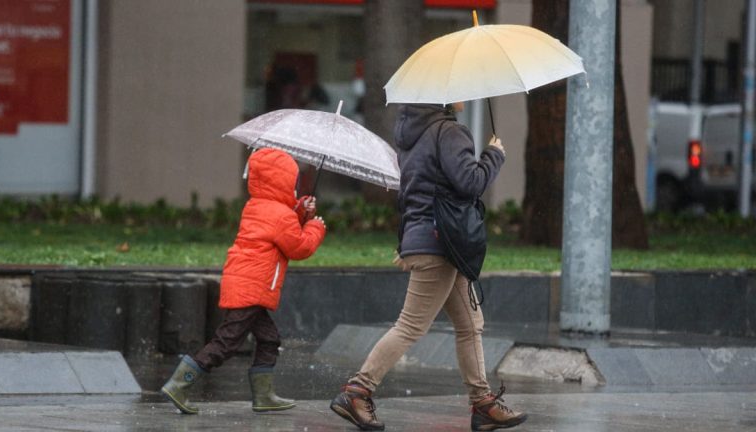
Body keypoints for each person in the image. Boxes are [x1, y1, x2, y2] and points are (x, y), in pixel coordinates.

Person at [329, 103, 527, 431]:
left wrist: (406, 241)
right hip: (441, 242)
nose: (466, 97)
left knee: (470, 323)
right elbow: (470, 182)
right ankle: (357, 391)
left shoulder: (413, 136)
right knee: (411, 326)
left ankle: (482, 404)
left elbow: (409, 193)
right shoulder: (449, 132)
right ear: (446, 97)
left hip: (434, 241)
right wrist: (494, 155)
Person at [161, 148, 326, 414]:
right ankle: (180, 384)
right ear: (282, 181)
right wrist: (315, 226)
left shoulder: (257, 206)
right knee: (226, 342)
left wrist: (300, 210)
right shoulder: (279, 215)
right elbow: (299, 247)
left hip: (245, 283)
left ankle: (264, 396)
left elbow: (281, 224)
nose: (295, 187)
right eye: (293, 182)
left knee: (269, 338)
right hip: (253, 287)